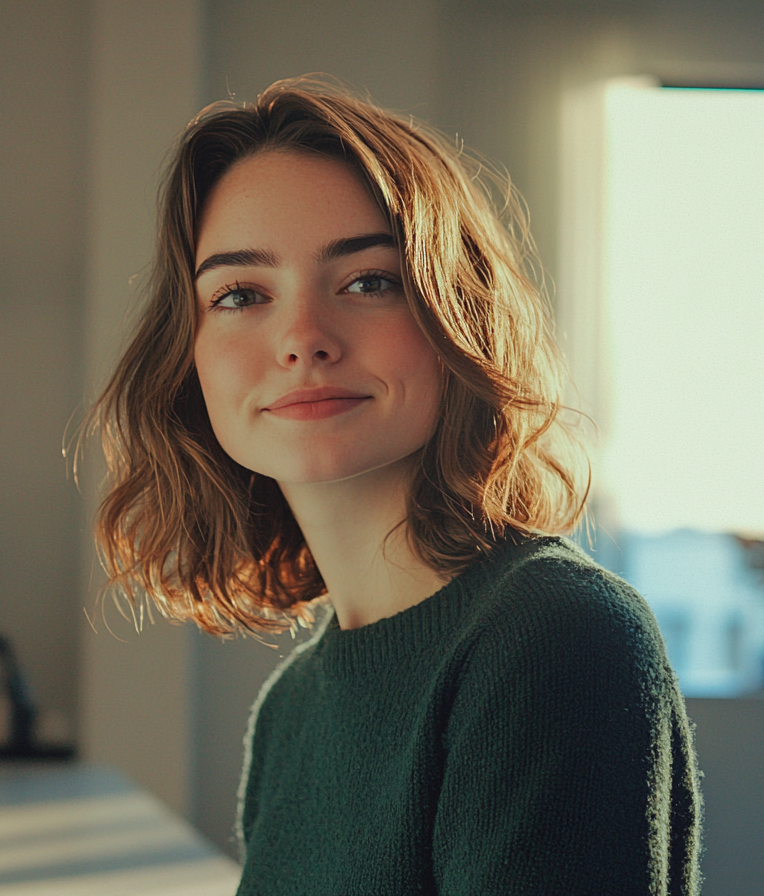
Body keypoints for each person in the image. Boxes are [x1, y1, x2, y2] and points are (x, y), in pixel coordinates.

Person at [89, 77, 701, 895]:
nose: (303, 338)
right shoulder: (291, 710)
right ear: (187, 357)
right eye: (240, 294)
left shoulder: (557, 636)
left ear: (458, 317)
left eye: (369, 280)